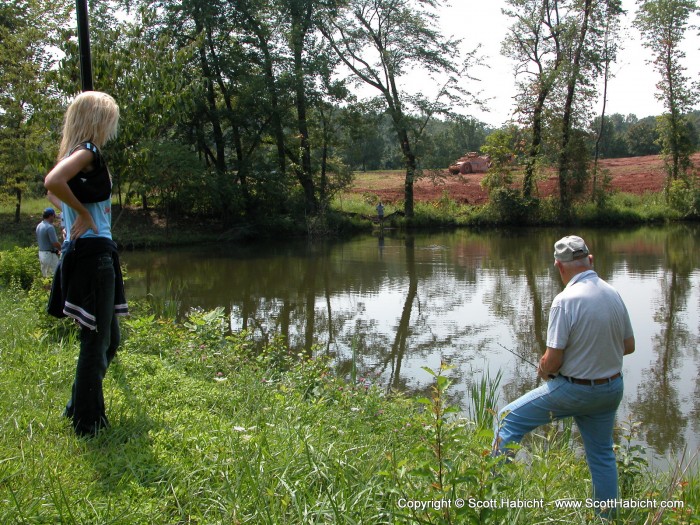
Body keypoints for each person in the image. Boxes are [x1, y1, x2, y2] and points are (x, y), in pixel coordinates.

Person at [493, 235, 635, 514]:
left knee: (507, 419)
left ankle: (491, 500)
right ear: (590, 260)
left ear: (559, 266)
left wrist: (544, 367)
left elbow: (553, 361)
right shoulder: (613, 293)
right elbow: (628, 346)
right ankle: (607, 519)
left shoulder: (564, 301)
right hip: (611, 390)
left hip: (576, 391)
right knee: (602, 455)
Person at [45, 91, 129, 438]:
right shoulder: (88, 151)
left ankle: (77, 407)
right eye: (111, 118)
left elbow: (51, 190)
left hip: (89, 253)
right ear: (99, 119)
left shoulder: (75, 153)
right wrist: (80, 214)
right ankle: (88, 424)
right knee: (97, 341)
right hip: (94, 256)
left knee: (109, 340)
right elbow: (53, 183)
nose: (113, 127)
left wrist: (71, 214)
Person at [36, 208, 61, 277]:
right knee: (55, 275)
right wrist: (62, 249)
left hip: (41, 253)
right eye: (54, 216)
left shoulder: (39, 225)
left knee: (45, 276)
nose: (54, 217)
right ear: (50, 216)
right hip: (49, 255)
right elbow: (55, 243)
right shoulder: (49, 227)